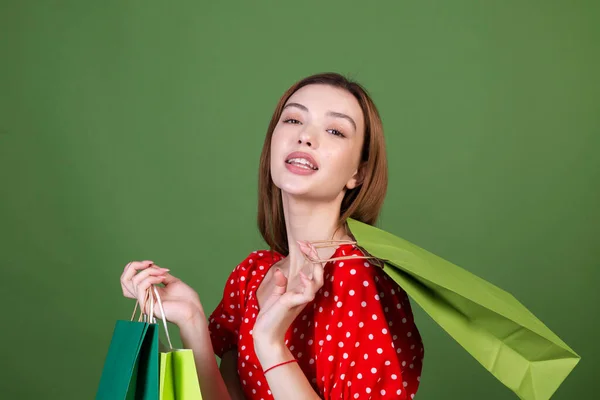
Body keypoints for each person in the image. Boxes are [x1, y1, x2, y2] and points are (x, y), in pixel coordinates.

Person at [120, 72, 424, 399]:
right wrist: (192, 320)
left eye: (335, 130)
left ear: (358, 173)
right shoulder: (251, 277)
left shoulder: (363, 286)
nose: (306, 137)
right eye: (293, 119)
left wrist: (270, 345)